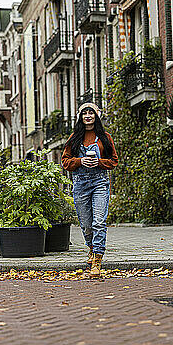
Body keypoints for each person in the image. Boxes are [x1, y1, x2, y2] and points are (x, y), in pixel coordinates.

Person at [62, 102, 118, 278]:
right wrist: (80, 161)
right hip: (80, 183)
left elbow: (114, 161)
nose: (88, 115)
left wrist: (99, 163)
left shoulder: (105, 137)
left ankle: (97, 260)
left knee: (99, 222)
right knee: (86, 225)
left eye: (91, 113)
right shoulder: (74, 138)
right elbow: (65, 162)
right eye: (85, 113)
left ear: (96, 116)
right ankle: (92, 248)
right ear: (80, 116)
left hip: (100, 182)